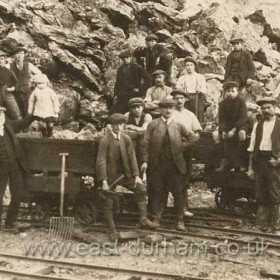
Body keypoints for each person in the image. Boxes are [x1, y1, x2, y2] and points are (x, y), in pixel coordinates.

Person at [141, 99, 198, 231]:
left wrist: (180, 147)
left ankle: (179, 220)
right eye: (165, 108)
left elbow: (193, 138)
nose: (167, 110)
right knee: (156, 191)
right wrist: (145, 161)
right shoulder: (153, 125)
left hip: (175, 166)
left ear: (173, 109)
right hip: (157, 165)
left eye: (170, 108)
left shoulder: (178, 124)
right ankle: (156, 218)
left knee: (178, 193)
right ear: (160, 110)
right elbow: (146, 144)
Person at [96, 113, 157, 238]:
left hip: (125, 174)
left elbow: (132, 157)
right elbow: (100, 161)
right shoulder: (105, 140)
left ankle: (143, 219)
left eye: (120, 125)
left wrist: (136, 175)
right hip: (110, 175)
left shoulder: (126, 139)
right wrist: (104, 181)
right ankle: (111, 228)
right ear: (111, 126)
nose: (118, 127)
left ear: (123, 125)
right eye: (115, 125)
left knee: (141, 189)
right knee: (108, 200)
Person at [247, 97, 280, 235]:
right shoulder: (258, 125)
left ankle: (276, 225)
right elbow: (252, 147)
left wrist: (279, 161)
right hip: (259, 160)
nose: (266, 110)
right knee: (260, 192)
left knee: (274, 192)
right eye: (263, 108)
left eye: (268, 107)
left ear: (274, 108)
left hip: (274, 161)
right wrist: (250, 167)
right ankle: (262, 223)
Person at [0, 107, 34, 230]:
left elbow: (22, 123)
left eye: (2, 113)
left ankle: (10, 222)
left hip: (14, 164)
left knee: (18, 192)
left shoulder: (7, 125)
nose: (1, 116)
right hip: (0, 167)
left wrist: (32, 114)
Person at [171, 89, 202, 217]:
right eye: (176, 98)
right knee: (172, 177)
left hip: (187, 150)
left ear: (185, 100)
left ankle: (183, 207)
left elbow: (198, 133)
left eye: (181, 98)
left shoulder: (190, 115)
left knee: (185, 177)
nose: (179, 101)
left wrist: (187, 143)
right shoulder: (170, 114)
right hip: (172, 150)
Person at [215, 81, 251, 172]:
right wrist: (223, 130)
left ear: (237, 92)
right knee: (217, 136)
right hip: (228, 125)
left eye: (233, 91)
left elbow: (243, 117)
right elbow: (222, 119)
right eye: (228, 91)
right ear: (225, 92)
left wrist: (233, 130)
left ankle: (241, 162)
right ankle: (224, 161)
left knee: (242, 134)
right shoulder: (222, 104)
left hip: (242, 124)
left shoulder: (241, 101)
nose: (230, 93)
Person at [112, 50, 151, 114]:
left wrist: (141, 90)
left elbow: (148, 78)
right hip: (122, 94)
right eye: (123, 58)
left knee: (131, 111)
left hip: (133, 94)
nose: (125, 60)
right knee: (116, 112)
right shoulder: (120, 69)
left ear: (130, 57)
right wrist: (116, 95)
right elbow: (117, 83)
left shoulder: (137, 67)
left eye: (127, 58)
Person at [9, 46, 41, 118]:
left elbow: (39, 73)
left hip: (26, 92)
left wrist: (32, 80)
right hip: (15, 93)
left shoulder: (28, 65)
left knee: (28, 110)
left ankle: (27, 128)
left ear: (24, 55)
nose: (20, 56)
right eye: (18, 53)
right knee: (16, 112)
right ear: (14, 55)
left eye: (22, 53)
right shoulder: (9, 66)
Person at [176, 57, 207, 123]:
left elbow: (204, 90)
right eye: (187, 65)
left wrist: (200, 89)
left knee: (198, 117)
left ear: (194, 66)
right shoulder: (182, 78)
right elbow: (178, 90)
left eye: (191, 65)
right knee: (186, 117)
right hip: (186, 100)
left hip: (198, 99)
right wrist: (182, 90)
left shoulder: (200, 77)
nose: (189, 67)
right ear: (185, 66)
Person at [0, 50, 21, 120]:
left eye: (1, 59)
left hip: (7, 93)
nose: (0, 61)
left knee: (15, 112)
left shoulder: (9, 71)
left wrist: (12, 88)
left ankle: (19, 128)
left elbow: (16, 83)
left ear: (4, 60)